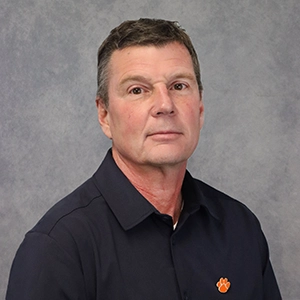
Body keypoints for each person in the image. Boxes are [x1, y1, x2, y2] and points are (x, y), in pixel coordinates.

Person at [6, 18, 281, 300]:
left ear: (199, 108)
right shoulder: (57, 248)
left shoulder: (240, 227)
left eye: (178, 86)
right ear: (104, 115)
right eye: (138, 90)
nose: (165, 105)